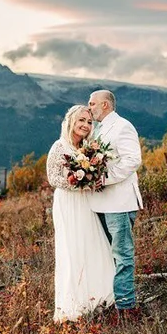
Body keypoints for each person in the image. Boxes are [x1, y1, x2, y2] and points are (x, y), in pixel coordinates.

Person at [45, 105, 116, 321]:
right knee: (72, 249)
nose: (85, 125)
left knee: (93, 245)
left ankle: (99, 299)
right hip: (68, 203)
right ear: (71, 122)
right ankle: (74, 305)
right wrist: (77, 184)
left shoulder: (88, 149)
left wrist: (92, 181)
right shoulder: (59, 146)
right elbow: (53, 178)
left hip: (86, 203)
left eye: (89, 122)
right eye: (81, 121)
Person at [87, 89, 145, 317]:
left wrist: (104, 178)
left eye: (92, 103)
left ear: (105, 105)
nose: (89, 107)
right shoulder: (96, 130)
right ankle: (110, 300)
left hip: (119, 203)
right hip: (100, 203)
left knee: (122, 256)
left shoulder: (123, 126)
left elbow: (133, 160)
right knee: (106, 255)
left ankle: (126, 307)